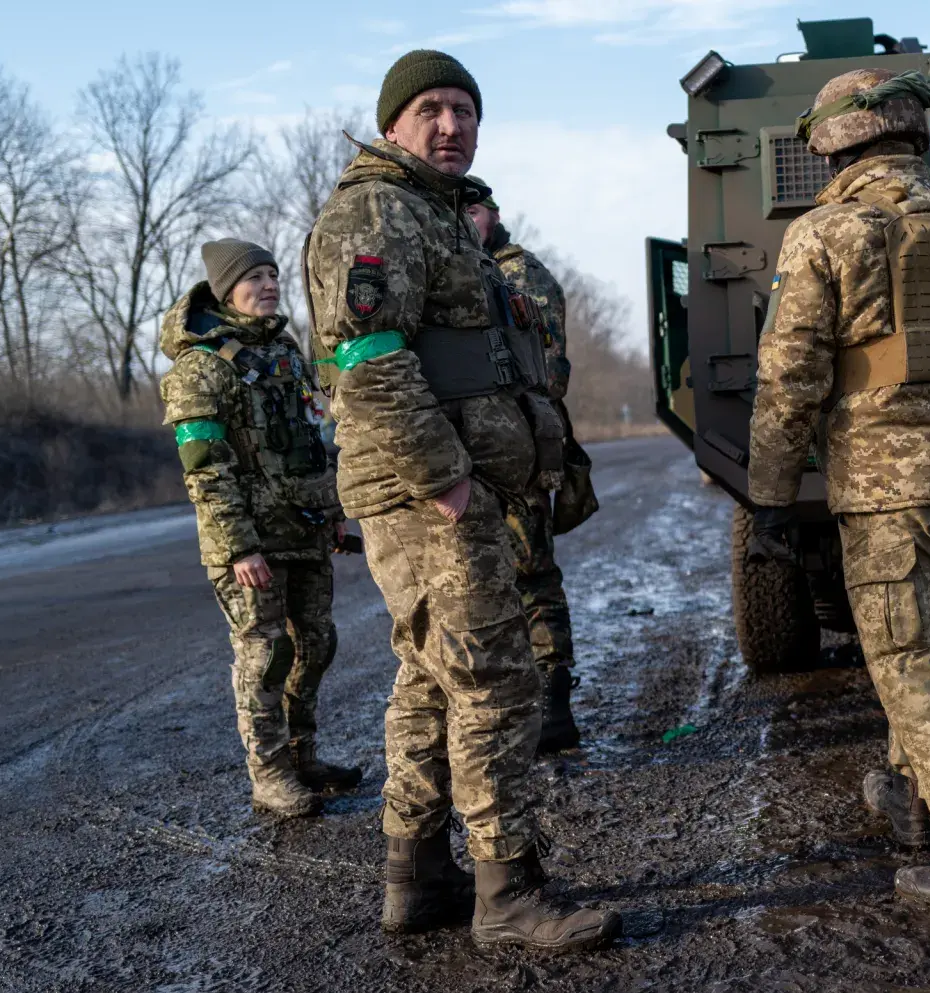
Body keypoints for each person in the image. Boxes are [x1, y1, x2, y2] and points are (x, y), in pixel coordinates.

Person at [304, 49, 619, 952]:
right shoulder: (377, 210)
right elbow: (366, 359)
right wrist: (445, 479)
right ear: (393, 123)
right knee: (494, 681)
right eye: (433, 109)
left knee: (433, 679)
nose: (452, 126)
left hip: (448, 491)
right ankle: (507, 890)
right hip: (431, 496)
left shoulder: (435, 216)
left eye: (465, 110)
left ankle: (420, 875)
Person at [746, 68, 930, 915]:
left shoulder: (824, 235)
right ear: (914, 135)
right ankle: (917, 812)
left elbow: (789, 377)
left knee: (915, 668)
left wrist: (772, 496)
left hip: (885, 493)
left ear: (833, 145)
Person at [159, 239, 362, 819]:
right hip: (249, 545)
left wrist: (334, 514)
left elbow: (311, 443)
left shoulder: (286, 352)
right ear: (226, 291)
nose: (268, 285)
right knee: (264, 656)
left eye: (273, 274)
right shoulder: (198, 369)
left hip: (303, 531)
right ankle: (269, 775)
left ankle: (303, 755)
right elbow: (206, 471)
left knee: (317, 644)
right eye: (254, 277)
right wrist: (239, 547)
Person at [464, 196, 582, 754]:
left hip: (522, 450)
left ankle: (553, 709)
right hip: (485, 450)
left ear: (492, 215)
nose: (467, 225)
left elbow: (545, 368)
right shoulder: (469, 269)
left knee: (531, 576)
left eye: (473, 214)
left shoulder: (517, 272)